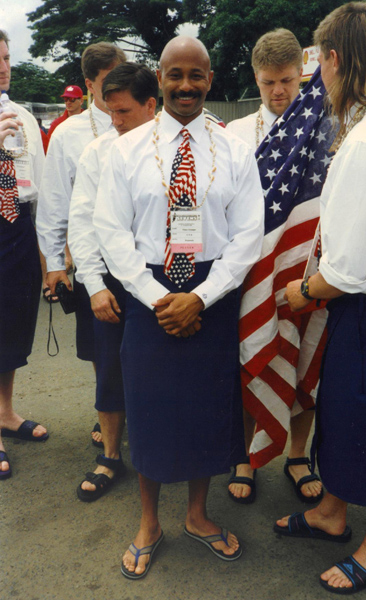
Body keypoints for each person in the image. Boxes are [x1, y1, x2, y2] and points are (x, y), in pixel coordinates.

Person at [93, 35, 264, 578]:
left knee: (206, 411)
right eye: (175, 75)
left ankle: (197, 514)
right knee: (149, 409)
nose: (186, 86)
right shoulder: (125, 150)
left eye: (197, 75)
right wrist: (159, 297)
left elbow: (248, 235)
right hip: (151, 294)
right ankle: (149, 522)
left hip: (210, 295)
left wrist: (201, 297)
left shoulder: (235, 150)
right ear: (160, 79)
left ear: (210, 79)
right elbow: (110, 232)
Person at [275, 2, 366, 594]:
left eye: (316, 61)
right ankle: (330, 511)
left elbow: (345, 268)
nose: (315, 74)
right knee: (344, 415)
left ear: (334, 59)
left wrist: (298, 293)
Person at [226, 29, 323, 505]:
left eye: (287, 80)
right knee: (250, 355)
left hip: (306, 271)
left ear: (302, 75)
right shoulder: (237, 132)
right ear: (256, 79)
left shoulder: (326, 125)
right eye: (268, 83)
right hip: (251, 271)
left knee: (306, 359)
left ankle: (299, 455)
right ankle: (244, 455)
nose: (278, 92)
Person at [68, 62, 158, 501]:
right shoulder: (97, 152)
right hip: (111, 282)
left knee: (162, 368)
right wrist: (93, 284)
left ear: (150, 105)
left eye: (122, 112)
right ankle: (110, 455)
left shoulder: (173, 148)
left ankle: (158, 451)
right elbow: (81, 221)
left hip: (163, 278)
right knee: (110, 369)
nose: (115, 122)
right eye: (109, 113)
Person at [36, 42, 126, 446]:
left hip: (137, 257)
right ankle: (106, 412)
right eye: (107, 82)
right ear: (89, 84)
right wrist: (55, 263)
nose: (116, 89)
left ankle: (132, 411)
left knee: (136, 344)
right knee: (99, 347)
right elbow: (54, 202)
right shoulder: (68, 134)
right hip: (92, 259)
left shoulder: (143, 119)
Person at [0, 29, 47, 480]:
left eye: (7, 57)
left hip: (19, 225)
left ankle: (6, 412)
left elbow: (40, 184)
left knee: (13, 324)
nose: (2, 66)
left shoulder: (25, 116)